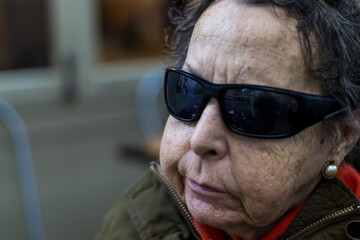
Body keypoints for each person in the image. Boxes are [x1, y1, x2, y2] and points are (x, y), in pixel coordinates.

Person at [96, 0, 360, 239]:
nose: (200, 139)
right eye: (189, 90)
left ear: (342, 138)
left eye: (255, 109)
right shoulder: (134, 219)